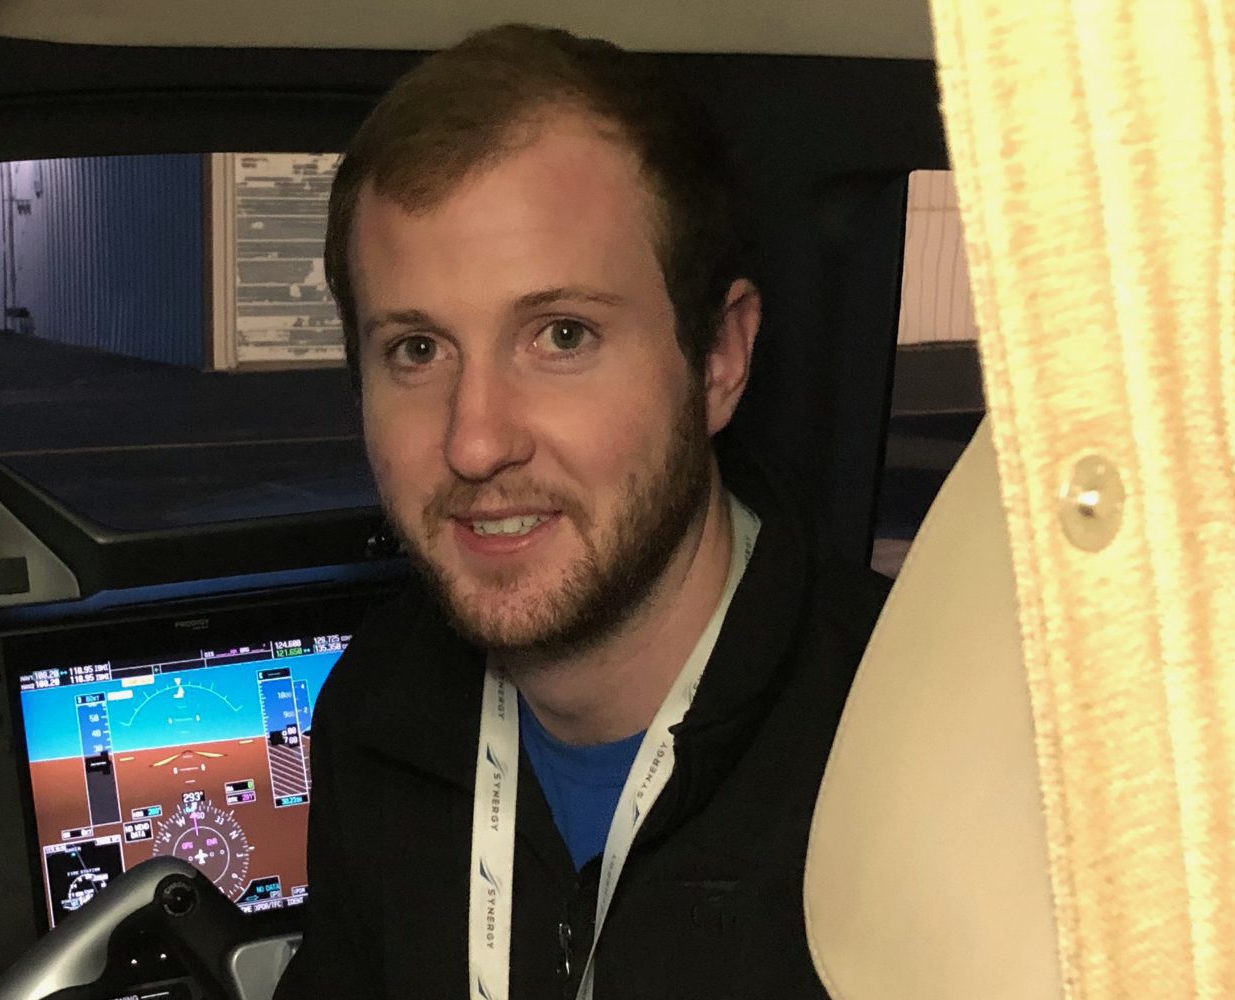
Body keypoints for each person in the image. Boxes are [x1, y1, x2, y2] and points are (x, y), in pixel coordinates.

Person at [274, 23, 891, 1000]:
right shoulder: (378, 711)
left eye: (561, 336)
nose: (475, 442)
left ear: (718, 360)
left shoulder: (913, 745)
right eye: (417, 351)